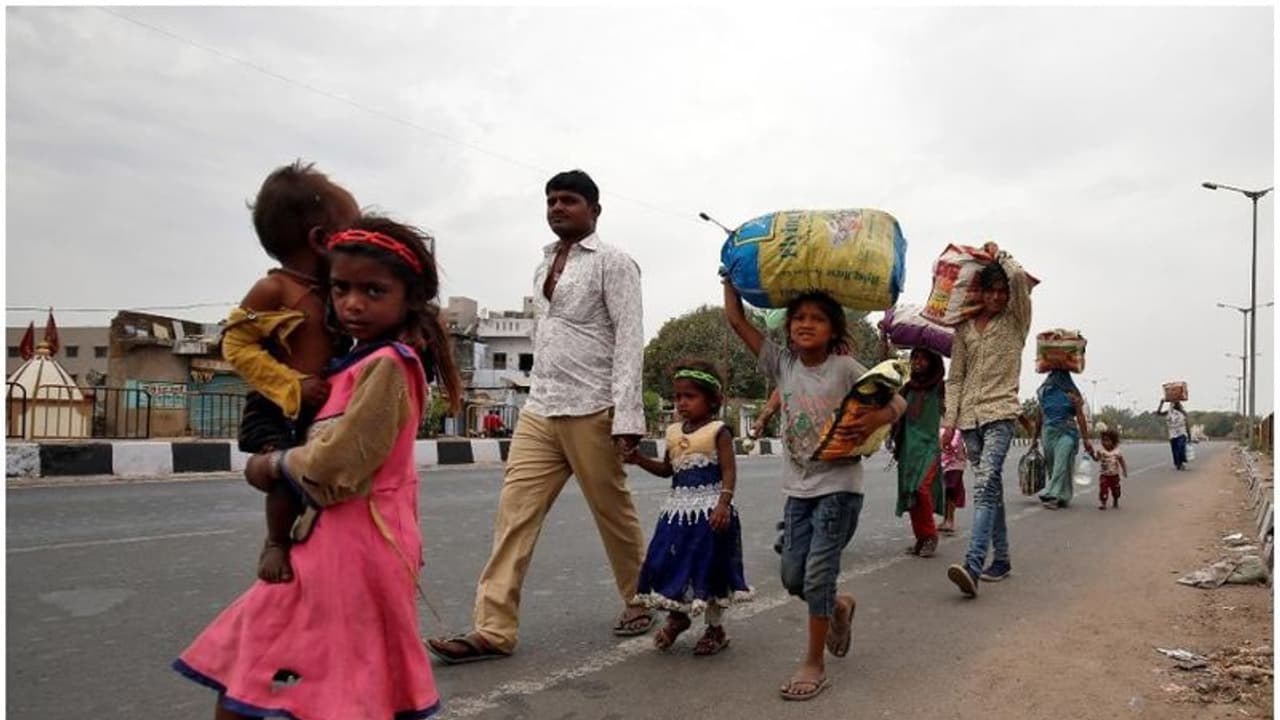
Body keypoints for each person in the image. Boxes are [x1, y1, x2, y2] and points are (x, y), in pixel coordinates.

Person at [173, 215, 464, 720]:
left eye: (373, 291)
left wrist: (272, 464)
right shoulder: (355, 361)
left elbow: (340, 461)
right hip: (331, 542)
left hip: (357, 547)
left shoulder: (390, 365)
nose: (352, 303)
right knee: (263, 660)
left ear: (408, 298)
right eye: (341, 288)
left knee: (328, 682)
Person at [428, 170, 652, 663]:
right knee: (514, 515)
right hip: (540, 406)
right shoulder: (544, 263)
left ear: (594, 209)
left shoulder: (614, 263)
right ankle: (493, 628)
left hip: (593, 406)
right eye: (551, 200)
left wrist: (627, 417)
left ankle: (643, 598)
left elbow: (629, 339)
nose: (557, 208)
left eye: (568, 200)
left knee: (613, 514)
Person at [724, 281, 905, 701]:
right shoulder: (783, 366)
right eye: (799, 318)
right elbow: (736, 321)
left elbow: (898, 403)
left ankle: (814, 663)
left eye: (817, 319)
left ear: (833, 329)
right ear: (788, 328)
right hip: (798, 490)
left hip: (839, 487)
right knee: (792, 576)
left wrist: (876, 417)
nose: (806, 324)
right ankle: (838, 606)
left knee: (819, 573)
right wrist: (729, 281)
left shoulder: (845, 369)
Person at [221, 160, 359, 583]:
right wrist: (291, 383)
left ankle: (318, 540)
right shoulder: (275, 289)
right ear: (321, 240)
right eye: (351, 234)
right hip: (277, 403)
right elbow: (234, 342)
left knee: (319, 473)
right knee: (282, 472)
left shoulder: (336, 292)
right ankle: (276, 541)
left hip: (322, 405)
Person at [624, 360, 752, 656]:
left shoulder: (719, 431)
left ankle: (715, 629)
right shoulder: (672, 433)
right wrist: (639, 460)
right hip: (676, 514)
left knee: (709, 568)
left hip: (711, 514)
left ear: (711, 399)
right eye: (678, 396)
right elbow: (669, 471)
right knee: (667, 562)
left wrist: (723, 503)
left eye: (690, 396)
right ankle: (678, 617)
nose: (681, 403)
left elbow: (729, 471)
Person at [943, 242, 1033, 598]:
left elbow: (1020, 280)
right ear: (980, 292)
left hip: (1001, 415)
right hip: (969, 420)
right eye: (990, 291)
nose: (996, 297)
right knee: (990, 490)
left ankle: (973, 566)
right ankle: (1003, 559)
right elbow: (956, 378)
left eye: (1001, 292)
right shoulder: (964, 329)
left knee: (984, 486)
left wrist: (1001, 256)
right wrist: (950, 420)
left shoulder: (1016, 321)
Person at [892, 348, 946, 558]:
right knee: (911, 493)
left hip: (928, 447)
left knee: (921, 488)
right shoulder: (907, 388)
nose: (916, 361)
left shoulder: (940, 387)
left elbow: (950, 410)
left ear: (932, 362)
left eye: (922, 358)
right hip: (908, 448)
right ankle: (921, 538)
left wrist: (952, 431)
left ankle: (931, 536)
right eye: (914, 357)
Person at [1033, 370, 1094, 510]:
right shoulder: (1044, 393)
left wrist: (1086, 439)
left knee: (1061, 464)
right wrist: (1034, 439)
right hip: (1048, 434)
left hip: (1067, 433)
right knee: (1054, 467)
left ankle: (1051, 494)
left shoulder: (1072, 394)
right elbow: (1039, 418)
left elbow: (1080, 416)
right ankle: (1062, 496)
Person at [937, 426, 967, 534]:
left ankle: (950, 521)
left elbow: (952, 445)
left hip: (955, 463)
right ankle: (945, 520)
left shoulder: (957, 430)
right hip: (943, 464)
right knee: (946, 492)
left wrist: (941, 443)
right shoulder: (941, 428)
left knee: (951, 491)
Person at [1092, 429, 1128, 509]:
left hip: (1114, 476)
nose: (1105, 443)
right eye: (1103, 440)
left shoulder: (1117, 452)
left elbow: (1122, 461)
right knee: (1103, 489)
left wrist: (1124, 471)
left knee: (1116, 490)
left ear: (1114, 442)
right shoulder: (1101, 451)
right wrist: (1092, 453)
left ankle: (1115, 499)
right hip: (1104, 475)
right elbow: (1096, 459)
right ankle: (1103, 503)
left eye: (1107, 441)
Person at [1156, 399, 1190, 470]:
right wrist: (1161, 403)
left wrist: (1189, 435)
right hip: (1172, 434)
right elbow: (1158, 413)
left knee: (1181, 448)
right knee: (1175, 450)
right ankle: (1178, 464)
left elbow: (1187, 424)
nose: (1173, 405)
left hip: (1182, 433)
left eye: (1175, 404)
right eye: (1172, 404)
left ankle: (1182, 462)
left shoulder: (1183, 413)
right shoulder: (1168, 412)